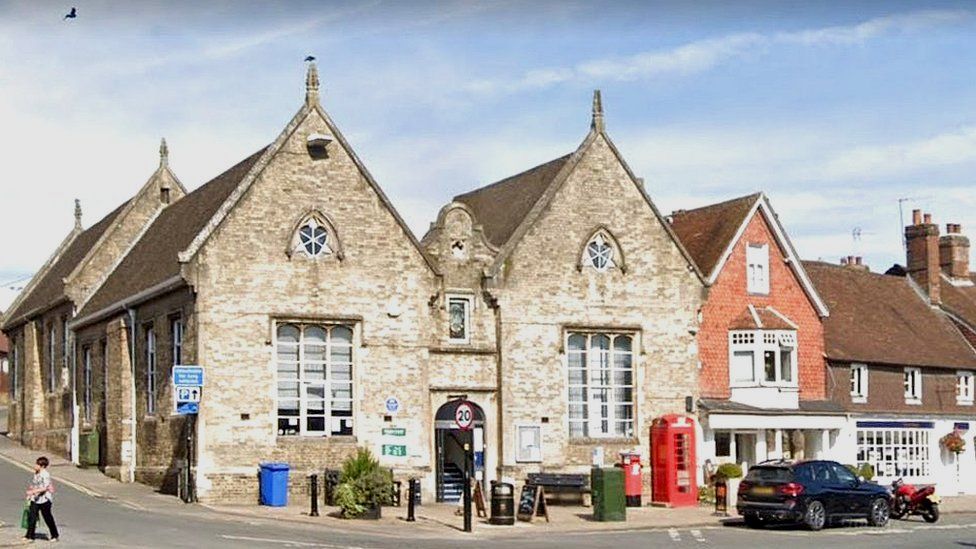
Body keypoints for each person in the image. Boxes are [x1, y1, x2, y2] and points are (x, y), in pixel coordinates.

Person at [24, 456, 59, 542]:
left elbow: (44, 488)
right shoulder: (36, 473)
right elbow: (34, 484)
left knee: (48, 518)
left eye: (37, 464)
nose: (35, 466)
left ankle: (55, 535)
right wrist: (31, 491)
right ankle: (30, 536)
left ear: (42, 466)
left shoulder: (45, 475)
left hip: (45, 500)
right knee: (32, 517)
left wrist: (33, 492)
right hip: (35, 499)